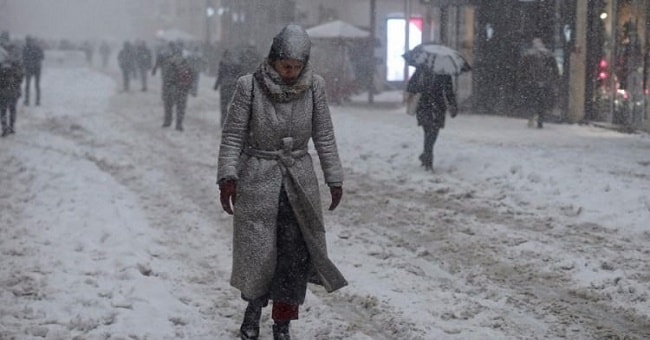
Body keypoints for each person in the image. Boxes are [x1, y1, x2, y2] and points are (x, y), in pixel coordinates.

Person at [216, 24, 346, 340]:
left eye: (297, 66)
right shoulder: (249, 86)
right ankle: (252, 311)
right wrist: (227, 177)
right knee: (260, 254)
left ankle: (282, 324)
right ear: (274, 60)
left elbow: (324, 134)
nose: (290, 72)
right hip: (259, 179)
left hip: (297, 182)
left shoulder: (314, 86)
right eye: (285, 65)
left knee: (292, 258)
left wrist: (334, 178)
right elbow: (233, 135)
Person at [405, 67, 458, 171]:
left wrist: (453, 106)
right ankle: (428, 160)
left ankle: (426, 155)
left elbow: (449, 91)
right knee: (430, 131)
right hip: (427, 105)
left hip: (434, 106)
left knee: (432, 132)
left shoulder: (435, 72)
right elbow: (411, 87)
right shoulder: (425, 71)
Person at [516, 38, 559, 129]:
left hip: (532, 82)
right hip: (545, 82)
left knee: (532, 100)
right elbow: (554, 69)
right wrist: (553, 79)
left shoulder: (528, 55)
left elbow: (522, 69)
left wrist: (524, 79)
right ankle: (540, 119)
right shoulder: (549, 55)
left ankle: (531, 116)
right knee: (542, 102)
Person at [153, 42, 193, 131]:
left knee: (168, 105)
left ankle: (168, 121)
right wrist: (189, 86)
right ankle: (179, 124)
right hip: (182, 87)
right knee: (181, 107)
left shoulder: (168, 61)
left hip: (170, 87)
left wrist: (166, 85)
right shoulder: (185, 61)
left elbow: (166, 76)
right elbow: (191, 73)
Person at [213, 49, 242, 127]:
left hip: (224, 86)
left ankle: (223, 122)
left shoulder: (223, 62)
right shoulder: (237, 63)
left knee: (223, 105)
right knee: (232, 105)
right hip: (233, 86)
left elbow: (220, 75)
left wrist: (216, 85)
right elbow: (239, 75)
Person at [0, 44, 24, 136]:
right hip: (14, 91)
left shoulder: (1, 65)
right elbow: (21, 78)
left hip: (2, 91)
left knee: (3, 110)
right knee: (12, 109)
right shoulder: (17, 64)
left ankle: (4, 128)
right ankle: (11, 127)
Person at [22, 35, 44, 106]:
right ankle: (31, 101)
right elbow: (42, 57)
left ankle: (34, 101)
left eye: (28, 41)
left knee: (34, 85)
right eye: (27, 41)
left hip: (33, 69)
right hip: (33, 68)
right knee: (32, 85)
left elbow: (42, 57)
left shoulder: (28, 48)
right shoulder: (30, 48)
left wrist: (31, 62)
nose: (28, 42)